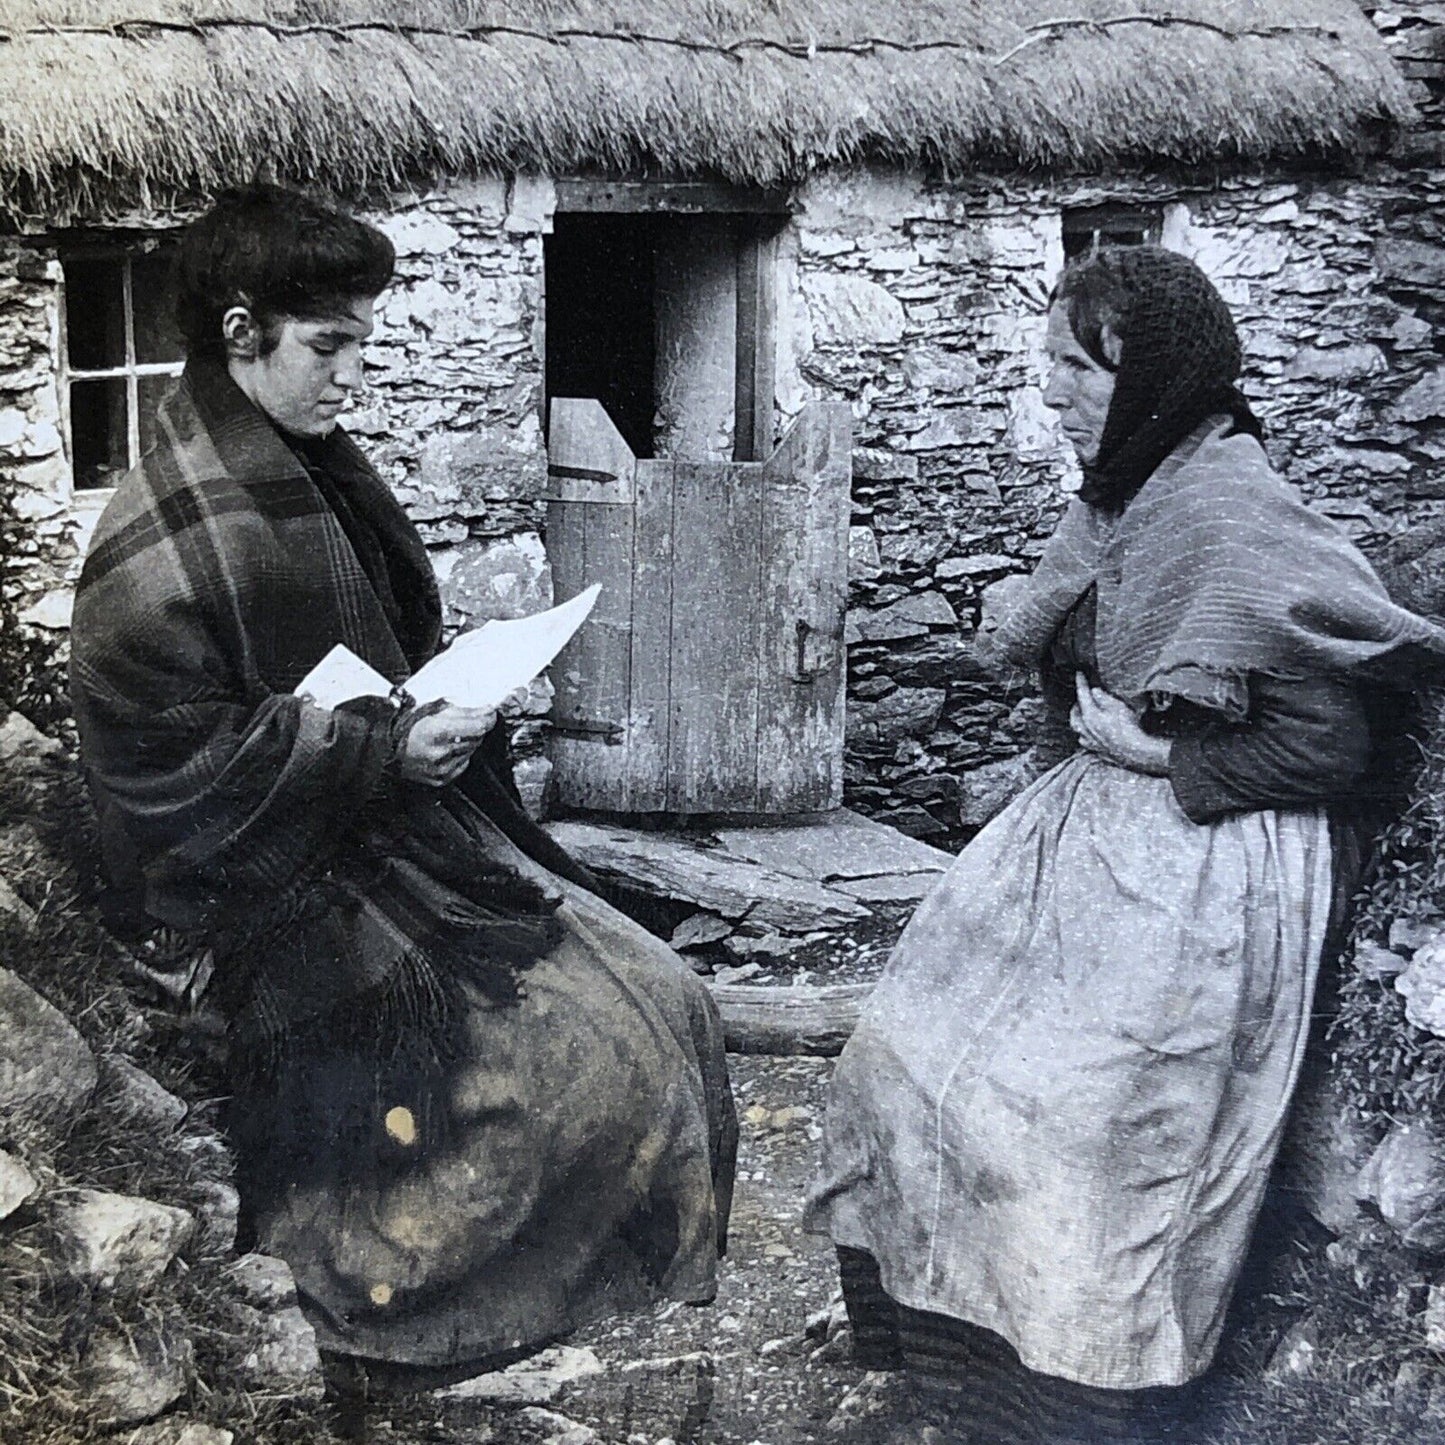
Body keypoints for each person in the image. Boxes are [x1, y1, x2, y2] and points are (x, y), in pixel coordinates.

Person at [69, 184, 736, 1379]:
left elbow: (355, 662)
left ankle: (590, 1297)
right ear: (238, 335)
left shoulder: (302, 465)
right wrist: (381, 751)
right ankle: (406, 1325)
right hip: (259, 888)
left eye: (362, 344)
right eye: (328, 346)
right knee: (577, 1062)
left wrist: (429, 713)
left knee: (667, 991)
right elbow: (165, 772)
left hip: (373, 833)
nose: (351, 376)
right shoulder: (160, 539)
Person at [807, 245, 1445, 1442]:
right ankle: (951, 1365)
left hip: (1210, 858)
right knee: (900, 1059)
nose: (1047, 392)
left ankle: (1072, 1396)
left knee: (1084, 1133)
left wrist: (1157, 757)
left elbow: (1332, 749)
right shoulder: (1127, 498)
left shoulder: (1227, 513)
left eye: (1072, 367)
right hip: (1095, 834)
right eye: (1043, 361)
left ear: (1148, 376)